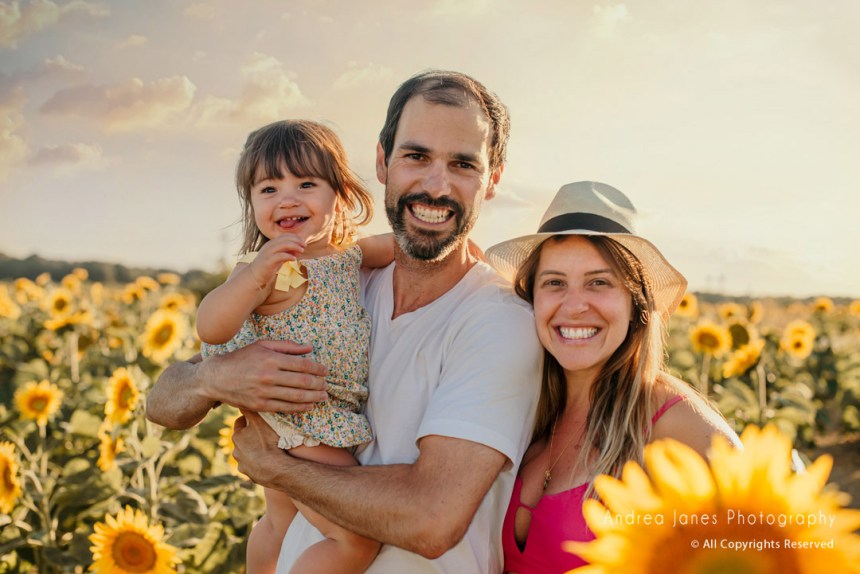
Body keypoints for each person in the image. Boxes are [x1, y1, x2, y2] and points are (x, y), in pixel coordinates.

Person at [146, 70, 542, 573]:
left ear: (492, 180)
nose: (436, 186)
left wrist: (275, 467)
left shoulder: (498, 323)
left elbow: (431, 520)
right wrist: (214, 376)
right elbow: (163, 405)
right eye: (416, 156)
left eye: (463, 164)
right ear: (382, 160)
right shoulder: (336, 282)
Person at [485, 181, 740, 573]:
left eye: (598, 282)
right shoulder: (529, 409)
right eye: (554, 282)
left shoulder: (672, 423)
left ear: (636, 302)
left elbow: (769, 541)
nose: (573, 306)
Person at [194, 119, 396, 573]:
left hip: (305, 417)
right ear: (251, 201)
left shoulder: (347, 257)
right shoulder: (265, 270)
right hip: (304, 420)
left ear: (340, 195)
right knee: (355, 538)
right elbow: (211, 326)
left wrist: (468, 251)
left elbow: (399, 247)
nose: (287, 198)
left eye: (306, 183)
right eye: (268, 188)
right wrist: (254, 276)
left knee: (279, 523)